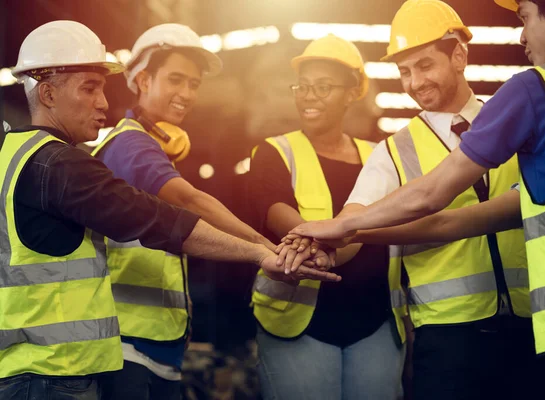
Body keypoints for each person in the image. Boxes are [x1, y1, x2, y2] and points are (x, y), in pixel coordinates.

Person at [0, 20, 339, 400]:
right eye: (89, 88)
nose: (103, 103)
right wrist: (265, 250)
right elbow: (175, 212)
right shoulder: (102, 153)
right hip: (82, 361)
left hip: (63, 360)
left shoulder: (16, 157)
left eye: (194, 84)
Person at [292, 0, 545, 399]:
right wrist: (324, 246)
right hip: (448, 339)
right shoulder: (392, 151)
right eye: (404, 72)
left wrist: (345, 230)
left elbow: (442, 206)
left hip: (533, 328)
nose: (414, 83)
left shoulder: (525, 114)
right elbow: (354, 217)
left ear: (458, 55)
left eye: (424, 66)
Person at [88, 23, 278, 399]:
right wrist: (264, 247)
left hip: (156, 344)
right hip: (127, 346)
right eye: (175, 79)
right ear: (142, 80)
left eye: (194, 84)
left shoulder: (151, 147)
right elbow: (190, 201)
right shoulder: (131, 146)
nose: (187, 94)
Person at [248, 34, 406, 400]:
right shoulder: (276, 150)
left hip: (375, 320)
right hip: (299, 321)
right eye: (302, 86)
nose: (308, 96)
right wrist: (327, 239)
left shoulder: (379, 156)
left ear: (353, 93)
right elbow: (273, 211)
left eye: (322, 87)